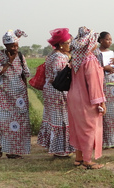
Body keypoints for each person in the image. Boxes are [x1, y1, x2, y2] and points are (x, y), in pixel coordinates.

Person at [0, 29, 30, 159]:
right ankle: (3, 148)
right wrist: (8, 62)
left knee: (20, 123)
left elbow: (25, 74)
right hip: (3, 97)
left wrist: (25, 92)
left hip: (19, 97)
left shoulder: (21, 56)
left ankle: (15, 151)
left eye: (16, 45)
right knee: (4, 124)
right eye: (12, 46)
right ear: (5, 45)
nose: (15, 48)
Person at [67, 26, 106, 169]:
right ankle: (87, 161)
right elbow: (94, 85)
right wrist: (101, 103)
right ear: (90, 42)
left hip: (73, 98)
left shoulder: (76, 59)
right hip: (86, 100)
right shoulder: (90, 60)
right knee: (89, 128)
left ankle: (78, 158)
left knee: (78, 128)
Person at [37, 28, 75, 157]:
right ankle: (61, 150)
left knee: (53, 117)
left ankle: (54, 146)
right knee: (62, 119)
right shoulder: (60, 57)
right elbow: (59, 77)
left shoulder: (52, 55)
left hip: (50, 90)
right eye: (68, 43)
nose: (70, 45)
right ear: (60, 44)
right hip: (58, 91)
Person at [94, 32, 114, 149]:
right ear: (100, 40)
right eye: (107, 39)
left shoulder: (111, 53)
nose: (109, 41)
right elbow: (93, 69)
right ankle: (105, 141)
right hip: (104, 86)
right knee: (106, 114)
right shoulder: (96, 53)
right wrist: (104, 68)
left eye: (111, 39)